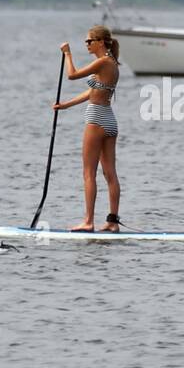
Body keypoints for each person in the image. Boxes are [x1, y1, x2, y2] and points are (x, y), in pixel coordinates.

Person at [53, 25, 121, 232]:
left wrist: (67, 53)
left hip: (97, 119)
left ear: (101, 42)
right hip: (110, 120)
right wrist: (66, 105)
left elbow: (72, 75)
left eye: (89, 41)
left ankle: (88, 221)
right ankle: (112, 222)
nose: (87, 44)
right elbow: (92, 92)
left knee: (88, 172)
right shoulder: (111, 64)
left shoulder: (102, 62)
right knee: (110, 173)